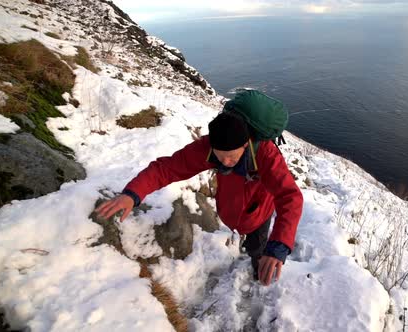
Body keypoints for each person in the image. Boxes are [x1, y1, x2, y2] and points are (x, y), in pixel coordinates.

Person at [95, 112, 303, 286]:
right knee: (250, 241)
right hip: (230, 209)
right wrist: (132, 193)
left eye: (233, 157)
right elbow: (166, 169)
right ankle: (249, 248)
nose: (227, 162)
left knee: (258, 245)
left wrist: (278, 247)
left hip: (259, 213)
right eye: (221, 157)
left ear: (246, 145)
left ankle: (258, 268)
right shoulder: (206, 149)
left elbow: (290, 197)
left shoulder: (265, 155)